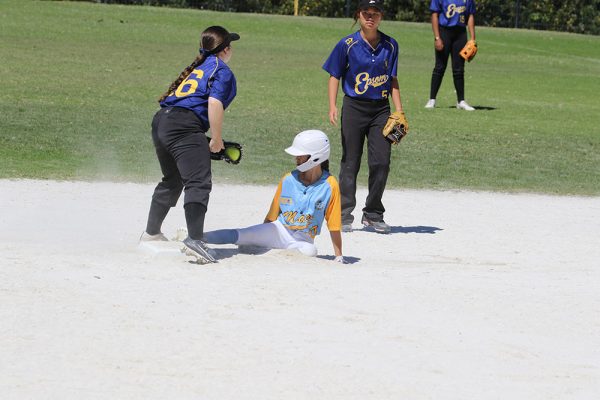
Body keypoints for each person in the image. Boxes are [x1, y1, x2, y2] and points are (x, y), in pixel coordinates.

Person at [140, 26, 240, 264]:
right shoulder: (222, 70)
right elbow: (214, 103)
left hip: (162, 120)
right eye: (230, 45)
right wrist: (216, 139)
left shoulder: (197, 66)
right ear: (225, 49)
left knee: (173, 179)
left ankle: (151, 233)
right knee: (198, 182)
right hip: (183, 125)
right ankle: (195, 240)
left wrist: (200, 139)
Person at [322, 0, 404, 234]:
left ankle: (373, 214)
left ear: (381, 17)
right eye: (366, 13)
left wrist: (399, 111)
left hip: (381, 109)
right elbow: (334, 75)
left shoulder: (391, 45)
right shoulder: (347, 44)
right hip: (354, 107)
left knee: (382, 161)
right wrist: (332, 105)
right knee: (351, 161)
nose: (370, 17)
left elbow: (393, 80)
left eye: (375, 13)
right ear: (359, 15)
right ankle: (344, 213)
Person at [203, 130, 346, 263]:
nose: (296, 158)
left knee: (310, 251)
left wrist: (338, 256)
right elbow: (272, 215)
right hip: (279, 230)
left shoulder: (330, 185)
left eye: (300, 155)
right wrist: (259, 236)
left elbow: (334, 224)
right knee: (241, 235)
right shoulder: (288, 179)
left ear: (316, 157)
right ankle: (198, 237)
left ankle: (259, 249)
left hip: (304, 240)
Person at [425, 0, 477, 111]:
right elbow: (435, 15)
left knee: (459, 69)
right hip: (444, 32)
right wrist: (437, 38)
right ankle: (432, 99)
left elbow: (470, 16)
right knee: (440, 67)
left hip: (460, 34)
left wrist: (472, 39)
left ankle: (461, 101)